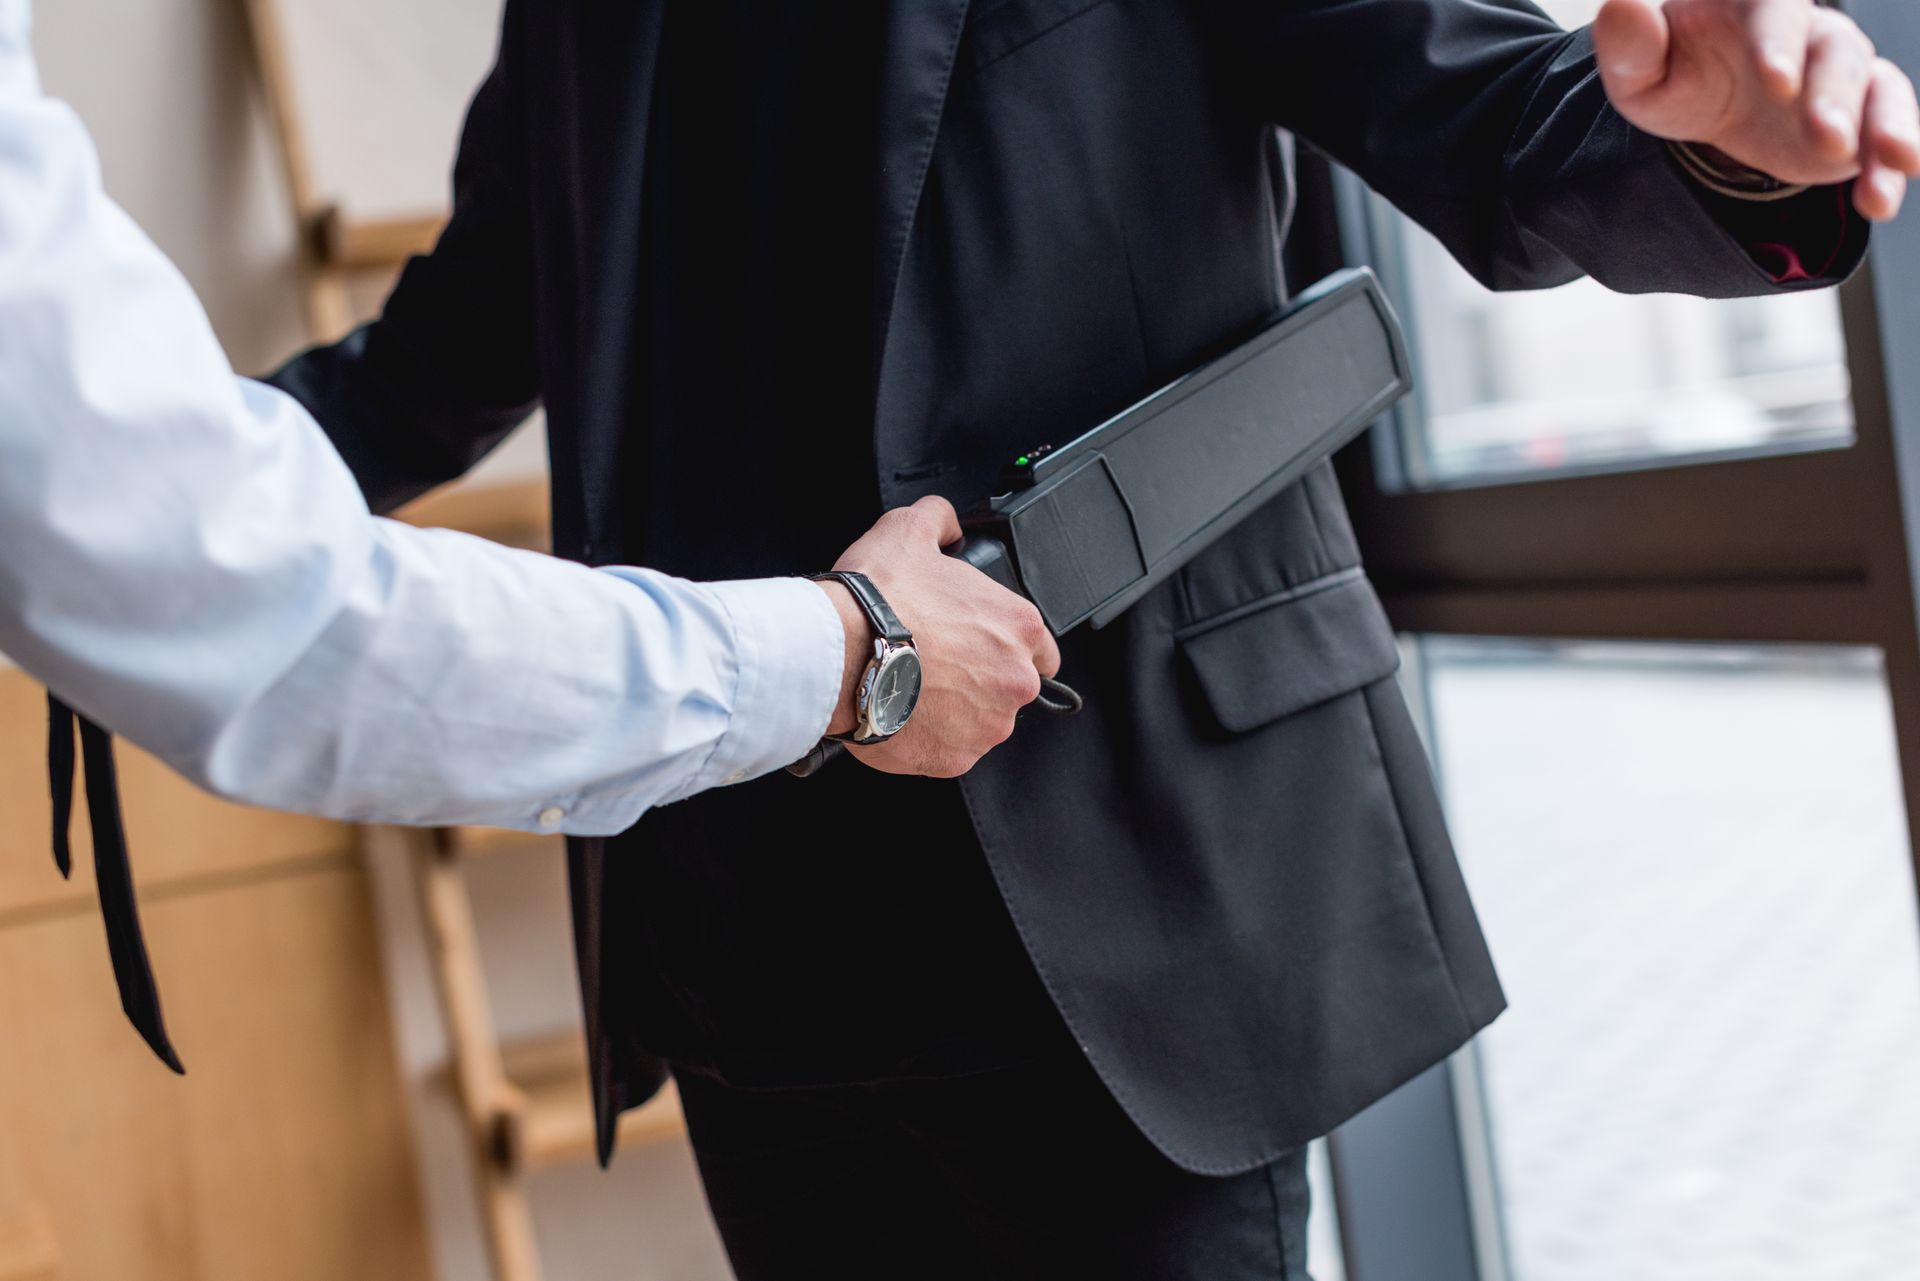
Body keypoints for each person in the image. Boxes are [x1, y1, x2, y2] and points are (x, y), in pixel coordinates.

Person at [259, 0, 1919, 1277]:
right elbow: (450, 349)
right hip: (750, 937)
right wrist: (127, 488)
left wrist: (1731, 148)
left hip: (1128, 900)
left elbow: (1503, 122)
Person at [0, 0, 1056, 1065]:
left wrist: (178, 489)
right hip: (740, 897)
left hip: (1079, 856)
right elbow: (476, 320)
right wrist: (854, 653)